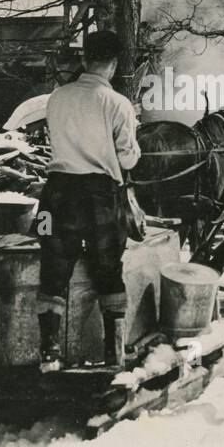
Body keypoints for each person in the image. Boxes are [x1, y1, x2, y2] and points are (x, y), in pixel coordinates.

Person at [35, 30, 141, 371]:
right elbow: (127, 160)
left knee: (52, 270)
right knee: (109, 269)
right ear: (112, 65)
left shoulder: (56, 98)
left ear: (85, 59)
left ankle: (49, 353)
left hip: (55, 197)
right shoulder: (118, 104)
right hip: (100, 199)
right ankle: (113, 354)